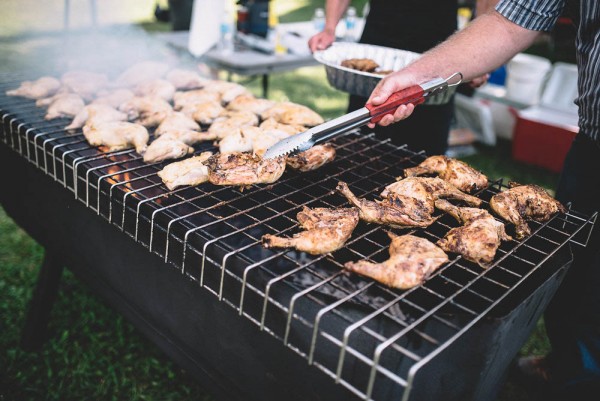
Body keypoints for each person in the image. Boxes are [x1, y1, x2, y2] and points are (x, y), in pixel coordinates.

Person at [367, 1, 600, 400]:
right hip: (592, 142)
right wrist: (416, 75)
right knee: (577, 273)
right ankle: (569, 367)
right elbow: (511, 22)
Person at [308, 0, 462, 156]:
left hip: (440, 43)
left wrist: (476, 57)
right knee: (359, 145)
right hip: (379, 34)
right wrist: (329, 28)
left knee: (427, 152)